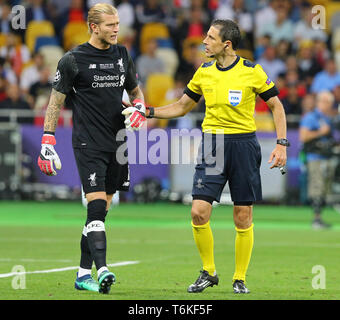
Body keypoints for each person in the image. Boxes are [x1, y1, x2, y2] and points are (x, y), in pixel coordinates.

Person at [123, 19, 288, 294]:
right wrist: (147, 111)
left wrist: (281, 143)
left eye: (210, 38)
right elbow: (182, 106)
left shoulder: (252, 72)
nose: (204, 42)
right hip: (212, 145)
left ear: (227, 44)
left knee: (242, 216)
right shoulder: (204, 72)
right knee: (199, 212)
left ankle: (239, 278)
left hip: (244, 146)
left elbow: (276, 105)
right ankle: (208, 272)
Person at [37, 3, 147, 294]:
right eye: (110, 25)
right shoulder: (72, 60)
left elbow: (136, 91)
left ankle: (83, 273)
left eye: (118, 24)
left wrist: (140, 108)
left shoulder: (122, 54)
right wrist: (47, 140)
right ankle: (104, 270)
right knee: (96, 206)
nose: (116, 29)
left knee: (101, 211)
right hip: (88, 142)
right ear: (94, 27)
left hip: (119, 142)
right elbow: (55, 102)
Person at [299, 91, 336, 229]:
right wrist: (321, 132)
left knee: (324, 190)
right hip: (314, 157)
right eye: (327, 102)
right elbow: (303, 137)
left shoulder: (326, 118)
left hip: (326, 156)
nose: (329, 106)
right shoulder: (311, 117)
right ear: (321, 102)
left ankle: (319, 218)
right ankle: (316, 219)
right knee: (317, 187)